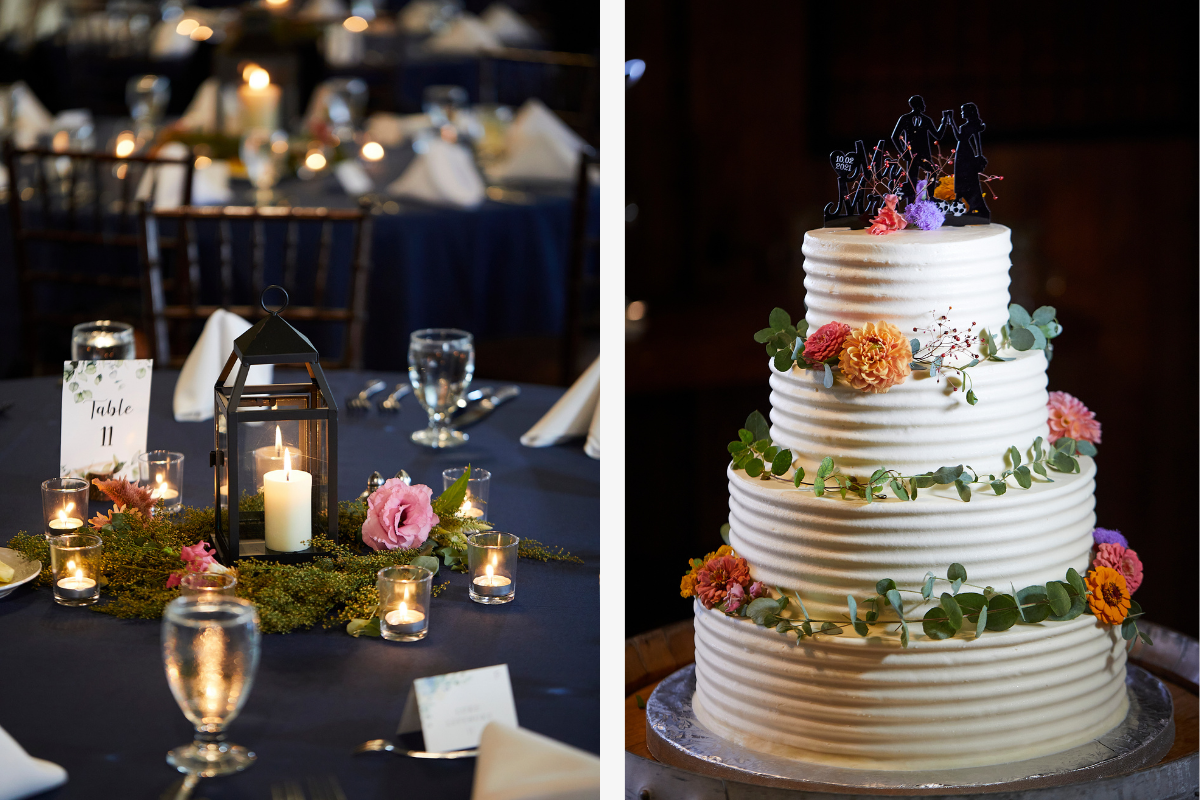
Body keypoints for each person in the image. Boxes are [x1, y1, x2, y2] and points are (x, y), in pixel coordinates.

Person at [889, 95, 952, 202]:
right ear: (918, 105)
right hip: (912, 155)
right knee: (912, 180)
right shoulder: (905, 119)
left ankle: (930, 197)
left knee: (932, 172)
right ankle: (911, 203)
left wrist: (944, 122)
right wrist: (903, 152)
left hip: (924, 155)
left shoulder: (926, 120)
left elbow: (938, 135)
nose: (924, 106)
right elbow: (895, 136)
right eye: (922, 103)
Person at [949, 102, 989, 219]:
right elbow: (974, 141)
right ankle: (964, 203)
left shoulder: (968, 126)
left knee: (968, 180)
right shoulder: (968, 125)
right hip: (963, 153)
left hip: (965, 155)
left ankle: (974, 206)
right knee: (963, 179)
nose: (962, 113)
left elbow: (962, 138)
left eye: (963, 111)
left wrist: (952, 122)